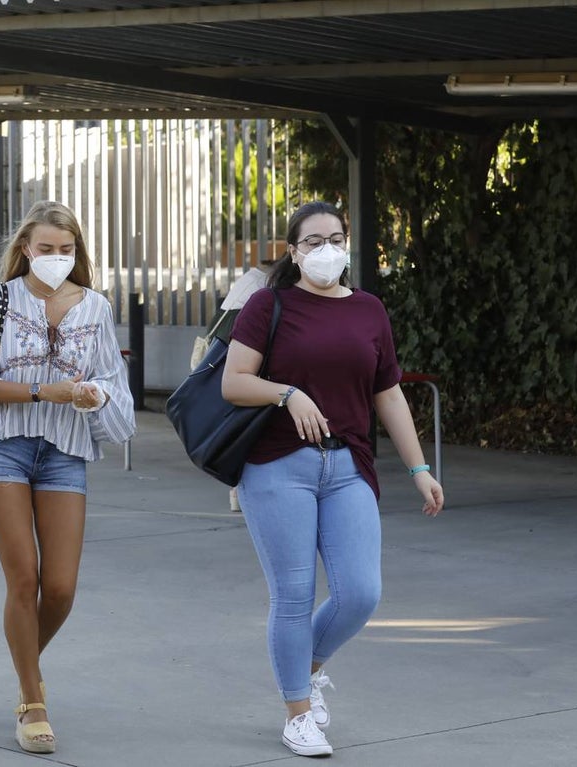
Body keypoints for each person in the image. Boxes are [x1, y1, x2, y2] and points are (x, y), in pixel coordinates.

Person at [222, 200, 444, 758]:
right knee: (293, 596)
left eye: (336, 239)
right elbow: (234, 382)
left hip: (348, 467)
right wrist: (288, 393)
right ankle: (298, 714)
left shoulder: (369, 310)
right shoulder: (268, 304)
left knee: (361, 593)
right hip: (278, 466)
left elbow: (388, 394)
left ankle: (307, 668)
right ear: (293, 252)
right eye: (313, 241)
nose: (327, 250)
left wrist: (419, 469)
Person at [0, 200, 136, 754]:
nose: (57, 257)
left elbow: (114, 386)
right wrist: (43, 391)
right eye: (46, 248)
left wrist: (94, 394)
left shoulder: (96, 307)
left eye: (66, 249)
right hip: (2, 446)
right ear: (26, 249)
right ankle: (32, 701)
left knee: (60, 589)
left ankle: (24, 667)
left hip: (65, 450)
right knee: (23, 579)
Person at [193, 259, 274, 512]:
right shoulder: (264, 288)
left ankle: (236, 488)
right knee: (246, 422)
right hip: (237, 359)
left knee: (238, 421)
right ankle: (238, 487)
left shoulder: (246, 283)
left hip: (222, 355)